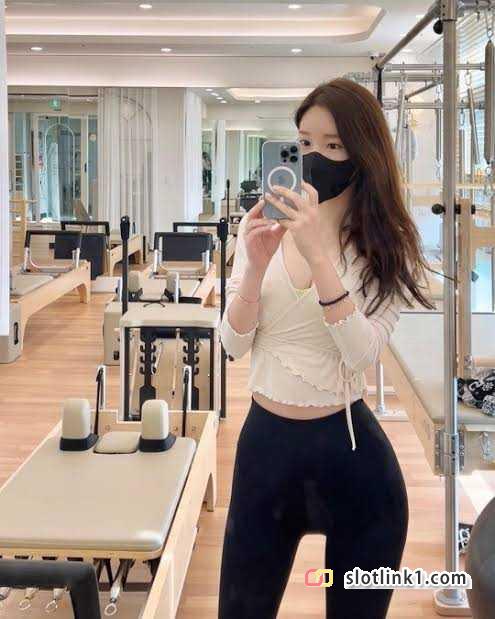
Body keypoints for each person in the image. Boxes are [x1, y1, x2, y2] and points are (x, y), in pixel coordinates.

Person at [217, 78, 435, 619]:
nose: (314, 157)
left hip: (354, 460)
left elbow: (363, 356)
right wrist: (254, 269)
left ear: (364, 155)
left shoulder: (386, 249)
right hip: (265, 454)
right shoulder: (259, 230)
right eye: (304, 142)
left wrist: (319, 258)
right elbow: (232, 345)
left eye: (333, 145)